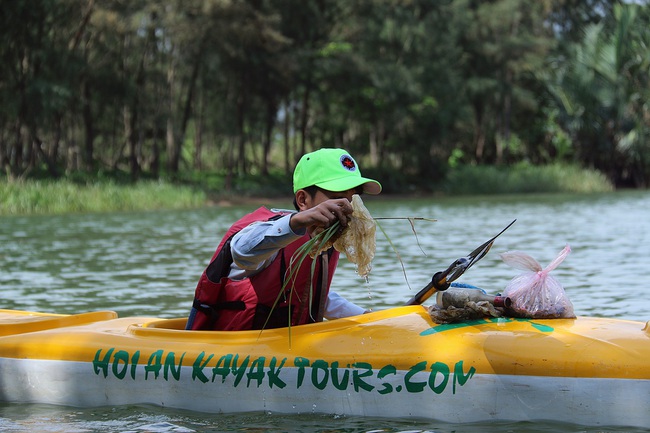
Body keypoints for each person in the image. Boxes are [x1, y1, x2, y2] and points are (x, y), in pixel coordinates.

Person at [186, 148, 382, 331]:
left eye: (354, 200)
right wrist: (297, 223)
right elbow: (241, 253)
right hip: (230, 351)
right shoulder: (272, 233)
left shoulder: (325, 239)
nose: (347, 209)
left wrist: (370, 318)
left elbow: (312, 297)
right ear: (303, 200)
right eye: (337, 198)